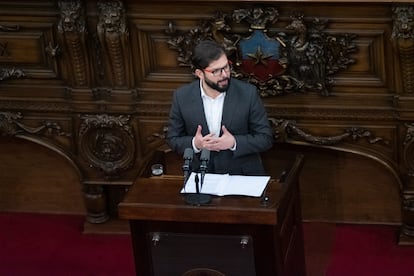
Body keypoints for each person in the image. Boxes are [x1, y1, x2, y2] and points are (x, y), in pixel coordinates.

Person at [166, 40, 273, 176]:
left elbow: (265, 138)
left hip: (242, 175)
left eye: (226, 67)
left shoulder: (248, 93)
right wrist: (196, 143)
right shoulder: (182, 97)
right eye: (216, 71)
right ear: (199, 74)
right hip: (201, 175)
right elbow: (173, 139)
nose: (224, 75)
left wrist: (234, 142)